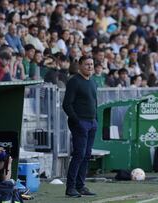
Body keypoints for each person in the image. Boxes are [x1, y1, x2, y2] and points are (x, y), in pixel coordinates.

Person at [62, 55, 97, 197]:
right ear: (80, 65)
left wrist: (96, 120)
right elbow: (67, 104)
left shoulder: (93, 82)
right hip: (80, 123)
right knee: (79, 155)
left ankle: (80, 185)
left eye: (91, 64)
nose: (90, 66)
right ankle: (70, 187)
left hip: (92, 122)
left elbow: (94, 102)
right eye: (87, 64)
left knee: (87, 155)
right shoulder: (74, 81)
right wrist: (77, 121)